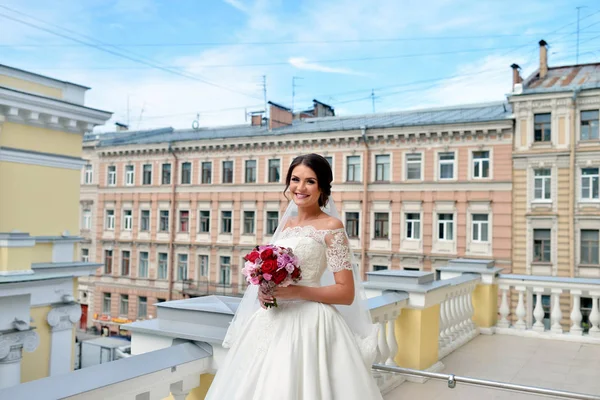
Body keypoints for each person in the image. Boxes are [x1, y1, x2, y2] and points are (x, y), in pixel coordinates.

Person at [205, 154, 382, 400]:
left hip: (312, 324)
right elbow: (277, 270)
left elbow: (345, 292)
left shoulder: (332, 227)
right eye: (295, 179)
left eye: (310, 181)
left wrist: (296, 292)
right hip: (272, 318)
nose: (300, 187)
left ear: (322, 188)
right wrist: (264, 288)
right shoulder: (286, 224)